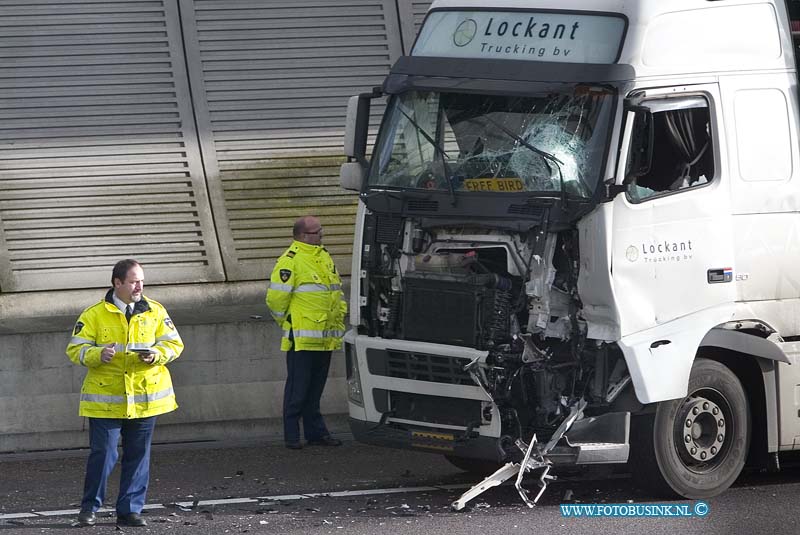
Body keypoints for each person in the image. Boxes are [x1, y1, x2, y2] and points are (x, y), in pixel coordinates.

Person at [66, 259, 183, 527]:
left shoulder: (155, 310)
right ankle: (89, 508)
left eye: (141, 280)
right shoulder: (94, 314)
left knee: (138, 456)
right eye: (133, 281)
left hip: (144, 398)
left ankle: (130, 510)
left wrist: (156, 354)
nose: (139, 286)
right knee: (104, 455)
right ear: (117, 283)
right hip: (106, 399)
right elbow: (75, 349)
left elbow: (174, 344)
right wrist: (98, 353)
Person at [266, 215, 347, 449]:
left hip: (326, 336)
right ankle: (292, 436)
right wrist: (288, 323)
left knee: (315, 390)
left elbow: (335, 292)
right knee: (297, 390)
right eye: (317, 231)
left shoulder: (323, 257)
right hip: (302, 338)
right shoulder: (290, 260)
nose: (322, 234)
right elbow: (276, 300)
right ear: (303, 235)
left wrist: (339, 315)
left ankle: (316, 433)